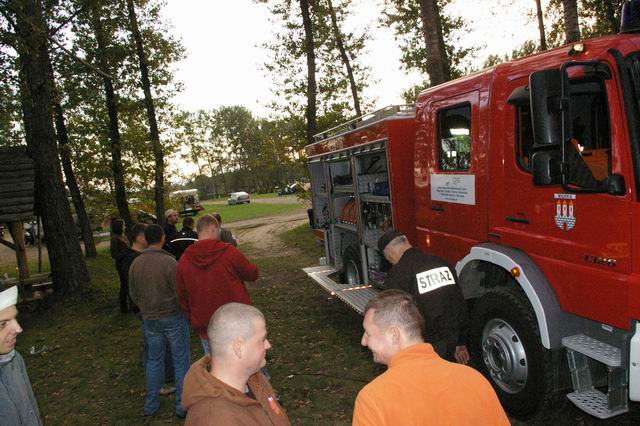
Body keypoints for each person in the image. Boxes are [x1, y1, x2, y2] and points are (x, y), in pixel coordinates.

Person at [353, 290, 509, 426]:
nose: (363, 341)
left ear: (394, 335)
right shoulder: (475, 380)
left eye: (368, 333)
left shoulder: (373, 400)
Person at [182, 303, 289, 425]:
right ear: (238, 348)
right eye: (263, 340)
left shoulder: (255, 378)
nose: (268, 345)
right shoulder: (212, 420)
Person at [377, 229, 469, 363]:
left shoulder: (396, 276)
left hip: (424, 347)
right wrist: (461, 341)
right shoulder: (442, 263)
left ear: (389, 254)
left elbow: (396, 318)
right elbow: (459, 303)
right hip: (451, 340)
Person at [129, 224, 190, 418]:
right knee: (181, 360)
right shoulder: (170, 263)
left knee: (154, 361)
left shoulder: (135, 264)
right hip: (172, 316)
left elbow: (133, 294)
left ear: (146, 239)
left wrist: (145, 308)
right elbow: (180, 291)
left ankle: (151, 405)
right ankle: (181, 406)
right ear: (163, 238)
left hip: (149, 319)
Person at [176, 214, 258, 355]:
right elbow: (252, 274)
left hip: (205, 323)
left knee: (216, 368)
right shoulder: (229, 252)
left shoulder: (184, 260)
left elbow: (181, 294)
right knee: (248, 362)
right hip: (236, 319)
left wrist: (191, 316)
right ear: (214, 228)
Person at [0, 286, 42, 425]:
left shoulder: (14, 360)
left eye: (14, 319)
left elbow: (30, 411)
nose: (18, 329)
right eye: (3, 324)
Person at [110, 218, 131, 313]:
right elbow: (114, 254)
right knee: (124, 284)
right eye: (123, 225)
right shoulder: (115, 239)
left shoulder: (124, 236)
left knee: (128, 284)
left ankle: (131, 304)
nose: (125, 227)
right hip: (122, 265)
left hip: (127, 262)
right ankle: (124, 307)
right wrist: (126, 253)